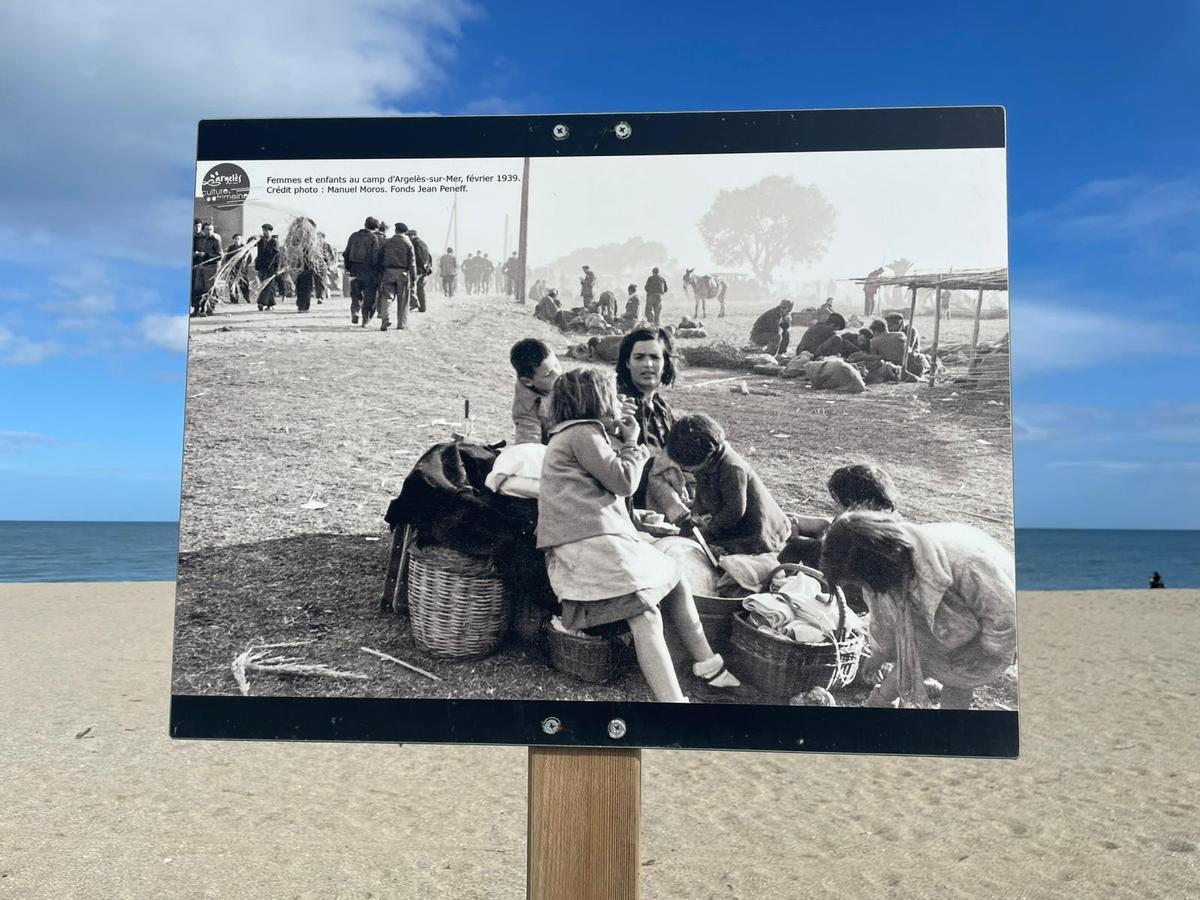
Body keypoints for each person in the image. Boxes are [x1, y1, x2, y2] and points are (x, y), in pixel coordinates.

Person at [537, 367, 741, 702]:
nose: (620, 401)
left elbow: (592, 494)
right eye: (612, 394)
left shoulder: (575, 434)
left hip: (593, 538)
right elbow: (623, 482)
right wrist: (633, 443)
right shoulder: (583, 433)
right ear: (596, 401)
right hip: (587, 544)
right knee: (644, 614)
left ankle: (708, 664)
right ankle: (674, 705)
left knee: (673, 577)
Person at [820, 511, 1017, 709]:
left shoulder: (966, 563)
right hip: (946, 615)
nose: (866, 587)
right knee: (913, 646)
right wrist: (880, 651)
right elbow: (883, 613)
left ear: (878, 565)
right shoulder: (883, 567)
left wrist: (984, 648)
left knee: (959, 678)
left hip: (991, 619)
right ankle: (879, 702)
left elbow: (1005, 615)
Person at [666, 414, 791, 557]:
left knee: (724, 555)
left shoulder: (732, 469)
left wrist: (706, 533)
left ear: (707, 455)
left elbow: (734, 511)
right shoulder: (709, 461)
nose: (687, 469)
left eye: (689, 466)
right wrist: (696, 515)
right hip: (732, 519)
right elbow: (702, 490)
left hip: (756, 528)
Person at [615, 326, 688, 520]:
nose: (648, 364)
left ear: (665, 363)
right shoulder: (616, 403)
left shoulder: (662, 407)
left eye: (655, 358)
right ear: (627, 363)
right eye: (639, 357)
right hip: (631, 504)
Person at [780, 462, 899, 569]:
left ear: (851, 499)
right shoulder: (889, 514)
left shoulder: (856, 521)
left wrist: (794, 537)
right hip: (862, 563)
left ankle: (777, 578)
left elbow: (834, 546)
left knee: (797, 546)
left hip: (852, 571)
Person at [510, 338, 562, 444]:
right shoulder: (526, 409)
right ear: (528, 382)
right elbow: (529, 445)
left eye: (556, 365)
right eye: (548, 374)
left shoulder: (568, 379)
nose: (557, 374)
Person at [375, 222, 417, 331]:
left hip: (388, 272)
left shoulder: (387, 242)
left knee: (387, 297)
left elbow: (380, 258)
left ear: (395, 231)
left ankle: (385, 318)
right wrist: (413, 278)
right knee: (403, 300)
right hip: (402, 273)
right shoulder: (408, 243)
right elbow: (412, 263)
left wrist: (381, 273)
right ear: (405, 232)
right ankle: (401, 323)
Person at [343, 217, 382, 326]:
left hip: (354, 270)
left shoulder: (353, 236)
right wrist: (377, 271)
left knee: (355, 293)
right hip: (369, 271)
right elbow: (375, 257)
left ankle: (355, 311)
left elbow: (346, 253)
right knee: (370, 296)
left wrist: (348, 268)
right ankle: (366, 319)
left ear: (365, 225)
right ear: (375, 228)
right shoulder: (373, 238)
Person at [191, 222, 222, 317]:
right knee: (197, 289)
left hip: (210, 268)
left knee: (208, 289)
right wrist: (195, 254)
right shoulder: (198, 240)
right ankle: (196, 309)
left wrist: (206, 255)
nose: (209, 231)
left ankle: (208, 309)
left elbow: (219, 256)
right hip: (199, 267)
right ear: (204, 230)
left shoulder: (215, 241)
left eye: (211, 229)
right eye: (207, 229)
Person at [253, 223, 280, 312]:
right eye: (263, 230)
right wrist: (254, 239)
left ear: (270, 231)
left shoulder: (274, 242)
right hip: (262, 267)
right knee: (266, 285)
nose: (265, 232)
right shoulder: (261, 241)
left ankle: (261, 303)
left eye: (266, 231)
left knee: (267, 285)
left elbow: (277, 256)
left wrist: (277, 268)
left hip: (271, 267)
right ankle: (271, 304)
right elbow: (253, 244)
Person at [408, 228, 432, 313]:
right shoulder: (423, 243)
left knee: (410, 287)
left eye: (409, 235)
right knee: (421, 289)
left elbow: (417, 257)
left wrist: (418, 267)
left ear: (413, 235)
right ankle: (422, 307)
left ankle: (414, 304)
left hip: (418, 269)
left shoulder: (415, 243)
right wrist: (427, 267)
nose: (408, 237)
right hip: (425, 269)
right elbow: (429, 256)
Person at [223, 233, 251, 304]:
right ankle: (234, 300)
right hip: (233, 269)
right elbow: (227, 258)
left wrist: (244, 264)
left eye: (238, 239)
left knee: (244, 284)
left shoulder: (244, 248)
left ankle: (247, 298)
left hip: (242, 270)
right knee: (232, 285)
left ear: (241, 240)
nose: (236, 240)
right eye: (235, 239)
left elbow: (249, 258)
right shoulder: (231, 248)